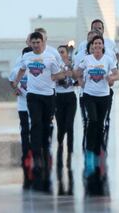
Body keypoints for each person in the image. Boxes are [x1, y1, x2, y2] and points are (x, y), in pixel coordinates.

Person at [11, 31, 68, 190]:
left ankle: (44, 149)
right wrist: (16, 82)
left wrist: (58, 77)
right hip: (33, 96)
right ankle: (36, 155)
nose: (36, 45)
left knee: (45, 124)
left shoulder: (50, 57)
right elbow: (22, 70)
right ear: (31, 44)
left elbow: (58, 74)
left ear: (43, 43)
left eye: (38, 42)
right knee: (35, 123)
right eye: (33, 42)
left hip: (48, 96)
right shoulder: (27, 57)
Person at [76, 33, 119, 175]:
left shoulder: (108, 59)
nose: (97, 46)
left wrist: (110, 78)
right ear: (92, 47)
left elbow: (117, 74)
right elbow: (77, 72)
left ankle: (97, 154)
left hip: (103, 96)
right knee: (92, 120)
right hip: (89, 95)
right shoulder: (87, 59)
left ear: (103, 46)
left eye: (100, 43)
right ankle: (89, 155)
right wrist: (81, 82)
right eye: (95, 44)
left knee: (100, 125)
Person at [8, 46, 32, 188]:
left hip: (36, 104)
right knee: (24, 129)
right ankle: (26, 152)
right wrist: (16, 89)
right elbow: (12, 81)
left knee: (35, 127)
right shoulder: (17, 70)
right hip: (22, 105)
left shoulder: (37, 70)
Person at [54, 43, 78, 174]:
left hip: (70, 97)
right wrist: (62, 74)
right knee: (61, 127)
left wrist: (71, 72)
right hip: (58, 98)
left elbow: (77, 77)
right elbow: (53, 77)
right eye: (58, 52)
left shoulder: (72, 63)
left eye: (62, 52)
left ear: (67, 53)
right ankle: (59, 149)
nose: (60, 54)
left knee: (70, 125)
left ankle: (70, 153)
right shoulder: (54, 65)